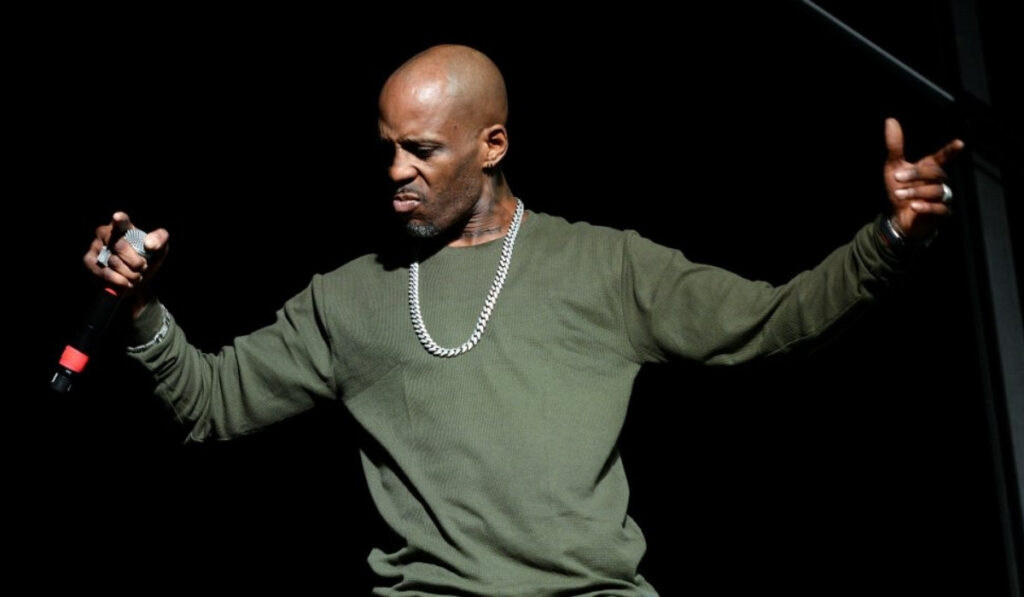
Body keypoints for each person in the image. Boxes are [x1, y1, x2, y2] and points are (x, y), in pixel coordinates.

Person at [84, 44, 963, 596]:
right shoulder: (348, 296)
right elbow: (213, 403)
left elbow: (773, 321)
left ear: (492, 145)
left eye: (422, 149)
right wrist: (141, 304)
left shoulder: (607, 265)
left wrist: (889, 237)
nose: (395, 170)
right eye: (387, 148)